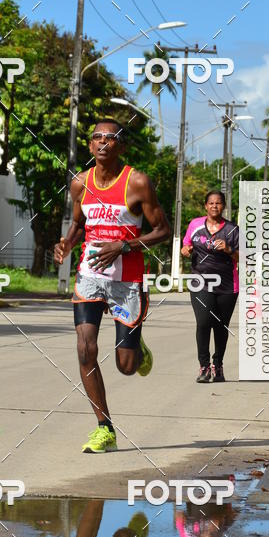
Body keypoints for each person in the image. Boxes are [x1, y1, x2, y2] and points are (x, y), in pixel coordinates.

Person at [54, 118, 171, 454]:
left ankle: (137, 348)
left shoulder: (137, 182)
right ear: (90, 145)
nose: (103, 142)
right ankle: (104, 428)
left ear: (122, 145)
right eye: (97, 137)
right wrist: (67, 243)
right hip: (90, 275)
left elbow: (163, 230)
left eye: (111, 137)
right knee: (85, 348)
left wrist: (124, 245)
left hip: (127, 280)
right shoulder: (80, 183)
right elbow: (79, 223)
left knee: (126, 366)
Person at [181, 191, 239, 383]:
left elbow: (244, 257)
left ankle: (218, 364)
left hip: (227, 284)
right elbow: (186, 245)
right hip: (200, 281)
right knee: (204, 322)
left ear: (224, 206)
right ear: (205, 206)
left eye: (218, 203)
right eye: (211, 203)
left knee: (221, 326)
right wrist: (186, 250)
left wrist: (229, 249)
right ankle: (204, 367)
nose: (215, 206)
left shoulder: (232, 229)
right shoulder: (195, 225)